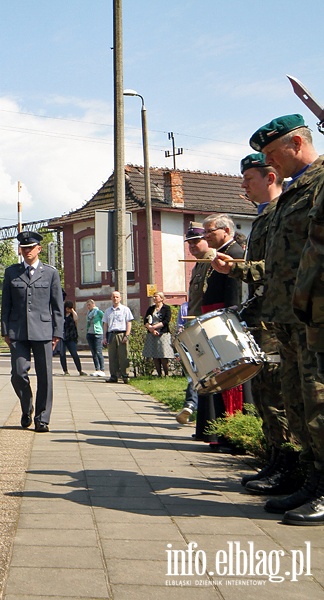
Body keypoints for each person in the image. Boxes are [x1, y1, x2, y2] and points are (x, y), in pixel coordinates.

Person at [251, 114, 324, 524]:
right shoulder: (293, 194)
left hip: (315, 317)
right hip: (288, 319)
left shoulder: (320, 183)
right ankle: (312, 481)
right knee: (299, 406)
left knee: (319, 403)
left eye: (273, 154)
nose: (270, 166)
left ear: (297, 143)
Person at [211, 153, 291, 492]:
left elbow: (275, 268)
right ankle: (276, 460)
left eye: (249, 180)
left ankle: (289, 466)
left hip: (279, 320)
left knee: (278, 396)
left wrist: (236, 269)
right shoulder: (263, 217)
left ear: (270, 177)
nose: (243, 186)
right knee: (264, 394)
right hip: (263, 316)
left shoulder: (281, 213)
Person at [1, 231, 64, 433]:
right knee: (18, 374)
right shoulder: (12, 272)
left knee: (45, 376)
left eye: (31, 248)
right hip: (17, 331)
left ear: (39, 249)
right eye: (24, 248)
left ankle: (42, 418)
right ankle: (27, 407)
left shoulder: (51, 273)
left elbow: (57, 306)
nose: (27, 251)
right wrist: (4, 330)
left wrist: (57, 332)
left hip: (44, 331)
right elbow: (6, 304)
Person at [194, 214, 244, 449]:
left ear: (225, 230)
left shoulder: (234, 254)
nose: (205, 236)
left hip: (224, 323)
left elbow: (234, 295)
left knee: (230, 381)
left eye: (209, 232)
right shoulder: (221, 253)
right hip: (213, 320)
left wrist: (228, 321)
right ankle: (220, 434)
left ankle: (232, 435)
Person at [175, 223, 213, 424]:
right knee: (195, 369)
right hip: (195, 325)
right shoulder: (198, 263)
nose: (192, 246)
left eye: (196, 241)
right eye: (189, 243)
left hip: (207, 325)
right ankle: (192, 406)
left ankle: (191, 405)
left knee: (200, 370)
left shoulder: (212, 261)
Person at [102, 290, 134, 384]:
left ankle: (125, 376)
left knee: (123, 356)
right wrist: (104, 337)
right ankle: (113, 376)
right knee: (112, 357)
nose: (115, 298)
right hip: (111, 334)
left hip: (122, 334)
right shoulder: (108, 311)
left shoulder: (125, 309)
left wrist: (127, 335)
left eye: (117, 297)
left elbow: (129, 323)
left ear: (120, 298)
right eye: (113, 297)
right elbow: (105, 324)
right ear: (111, 298)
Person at [142, 292, 174, 377]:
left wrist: (155, 327)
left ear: (161, 298)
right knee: (155, 354)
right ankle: (159, 374)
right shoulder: (151, 308)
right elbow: (145, 321)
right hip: (152, 333)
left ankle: (166, 374)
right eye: (154, 297)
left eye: (156, 297)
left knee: (163, 354)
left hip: (163, 333)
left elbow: (166, 321)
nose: (154, 298)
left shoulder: (166, 308)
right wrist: (151, 329)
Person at [59, 300, 85, 377]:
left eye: (70, 308)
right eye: (67, 308)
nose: (68, 310)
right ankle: (65, 371)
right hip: (62, 337)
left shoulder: (72, 316)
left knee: (74, 354)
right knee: (62, 354)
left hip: (71, 337)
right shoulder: (62, 315)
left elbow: (76, 319)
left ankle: (80, 370)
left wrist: (72, 310)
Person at [84, 299, 105, 377]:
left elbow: (105, 318)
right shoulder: (89, 313)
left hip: (97, 333)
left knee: (98, 351)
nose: (88, 307)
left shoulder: (98, 312)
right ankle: (97, 369)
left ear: (93, 304)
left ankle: (102, 369)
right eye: (87, 305)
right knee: (93, 353)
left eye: (89, 305)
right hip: (90, 333)